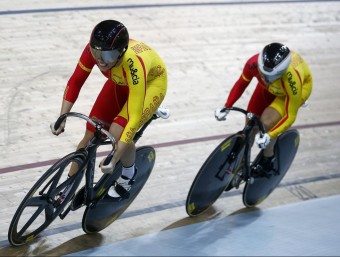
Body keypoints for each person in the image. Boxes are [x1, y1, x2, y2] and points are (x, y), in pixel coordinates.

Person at [51, 20, 168, 198]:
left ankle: (129, 175)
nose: (100, 60)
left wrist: (114, 158)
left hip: (150, 84)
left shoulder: (133, 64)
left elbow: (134, 117)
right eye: (96, 52)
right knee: (90, 133)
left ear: (121, 53)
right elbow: (75, 81)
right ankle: (67, 188)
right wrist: (62, 116)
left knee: (117, 132)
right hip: (120, 81)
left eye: (107, 56)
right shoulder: (94, 51)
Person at [215, 42, 312, 171]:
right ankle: (242, 163)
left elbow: (291, 116)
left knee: (266, 124)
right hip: (271, 88)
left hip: (293, 91)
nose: (265, 79)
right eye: (263, 74)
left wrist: (270, 135)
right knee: (250, 125)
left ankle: (268, 159)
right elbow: (241, 84)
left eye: (270, 76)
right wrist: (227, 106)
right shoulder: (253, 63)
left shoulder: (292, 80)